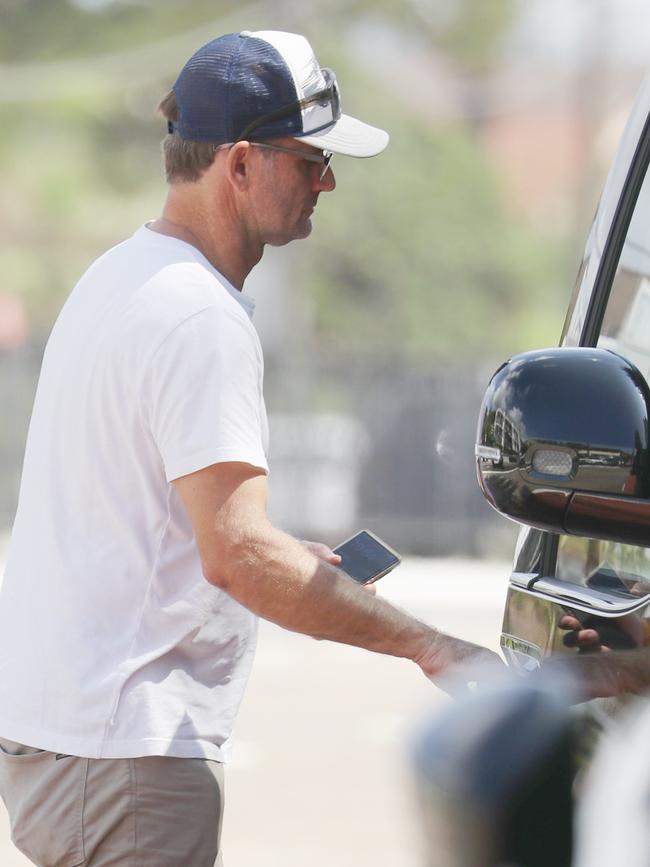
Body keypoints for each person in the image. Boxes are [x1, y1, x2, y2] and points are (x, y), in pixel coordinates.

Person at [0, 30, 500, 867]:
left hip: (80, 743)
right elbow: (237, 557)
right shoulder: (199, 315)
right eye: (308, 160)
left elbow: (181, 534)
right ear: (238, 165)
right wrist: (432, 645)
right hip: (125, 760)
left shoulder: (123, 275)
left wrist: (277, 555)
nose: (327, 181)